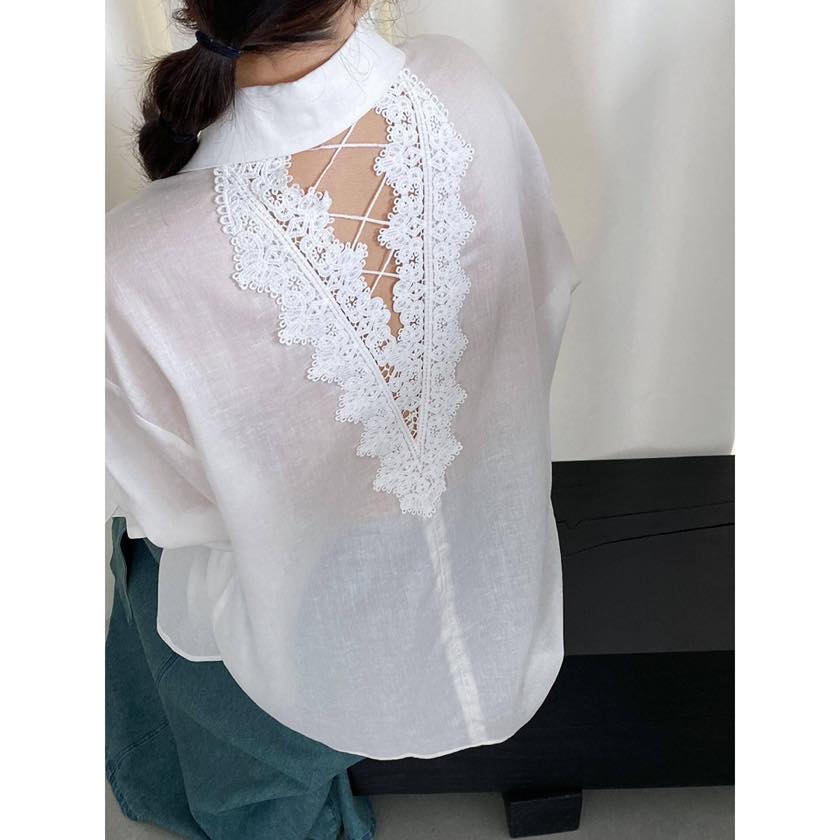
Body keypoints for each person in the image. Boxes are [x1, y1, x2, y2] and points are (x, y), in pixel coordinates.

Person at [106, 1, 579, 837]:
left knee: (134, 554)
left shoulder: (129, 261)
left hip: (290, 645)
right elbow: (542, 302)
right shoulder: (461, 82)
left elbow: (168, 509)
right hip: (499, 588)